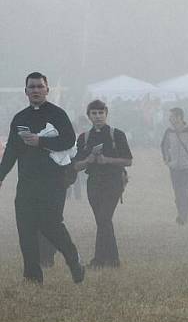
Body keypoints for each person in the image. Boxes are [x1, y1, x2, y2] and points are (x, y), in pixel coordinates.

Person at [0, 72, 84, 284]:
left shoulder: (58, 114)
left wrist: (40, 141)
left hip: (53, 182)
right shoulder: (20, 118)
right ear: (25, 91)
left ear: (47, 89)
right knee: (25, 228)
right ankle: (32, 276)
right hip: (27, 182)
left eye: (40, 86)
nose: (36, 90)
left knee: (51, 225)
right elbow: (11, 150)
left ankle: (73, 259)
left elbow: (68, 141)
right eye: (32, 87)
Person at [73, 100, 133, 268]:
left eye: (101, 113)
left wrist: (107, 160)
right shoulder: (84, 137)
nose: (98, 116)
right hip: (93, 183)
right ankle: (113, 260)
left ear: (106, 113)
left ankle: (98, 261)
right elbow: (76, 166)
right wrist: (89, 160)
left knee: (104, 218)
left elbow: (128, 160)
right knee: (103, 221)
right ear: (89, 116)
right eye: (94, 113)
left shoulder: (117, 134)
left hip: (113, 182)